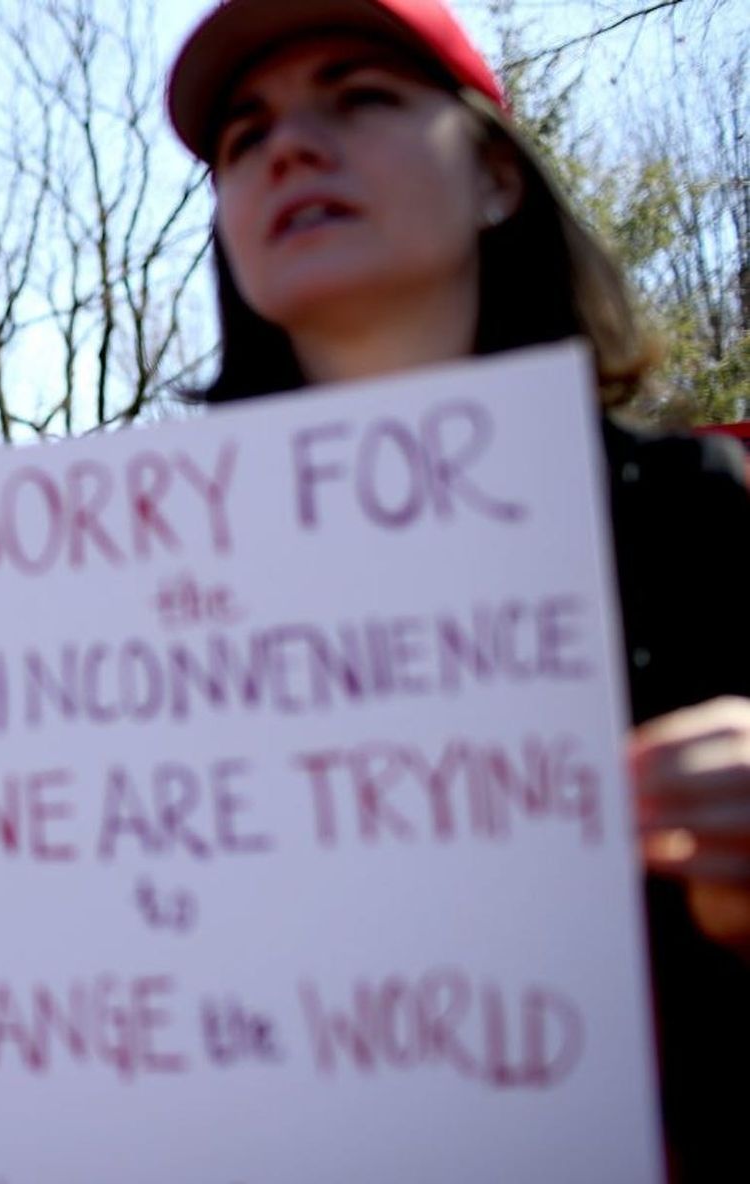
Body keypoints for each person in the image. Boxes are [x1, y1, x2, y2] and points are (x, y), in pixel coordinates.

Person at [164, 0, 750, 1177]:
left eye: (360, 95)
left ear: (494, 176)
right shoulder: (135, 582)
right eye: (242, 135)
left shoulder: (692, 512)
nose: (287, 146)